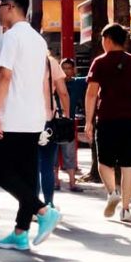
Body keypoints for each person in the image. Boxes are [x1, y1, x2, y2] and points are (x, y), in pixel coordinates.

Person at [0, 0, 61, 252]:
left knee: (1, 171)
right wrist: (45, 111)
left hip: (14, 115)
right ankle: (21, 233)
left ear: (10, 7)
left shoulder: (12, 37)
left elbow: (4, 76)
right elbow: (44, 80)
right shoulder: (38, 40)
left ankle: (43, 211)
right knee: (27, 175)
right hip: (34, 116)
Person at [85, 22, 131, 222]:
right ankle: (126, 210)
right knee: (129, 165)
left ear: (108, 40)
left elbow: (91, 93)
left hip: (107, 119)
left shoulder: (100, 62)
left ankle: (112, 192)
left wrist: (88, 121)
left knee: (105, 162)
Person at [37, 53, 70, 208]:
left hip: (26, 121)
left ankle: (33, 206)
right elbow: (63, 92)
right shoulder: (50, 63)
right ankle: (49, 203)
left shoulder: (21, 61)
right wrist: (67, 115)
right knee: (47, 165)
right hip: (48, 120)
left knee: (32, 165)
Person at [58, 58, 84, 192]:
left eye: (69, 68)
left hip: (69, 122)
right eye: (64, 68)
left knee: (69, 153)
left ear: (74, 70)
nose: (66, 71)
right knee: (54, 153)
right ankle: (55, 181)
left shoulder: (78, 83)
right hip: (54, 120)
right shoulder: (55, 83)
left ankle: (72, 183)